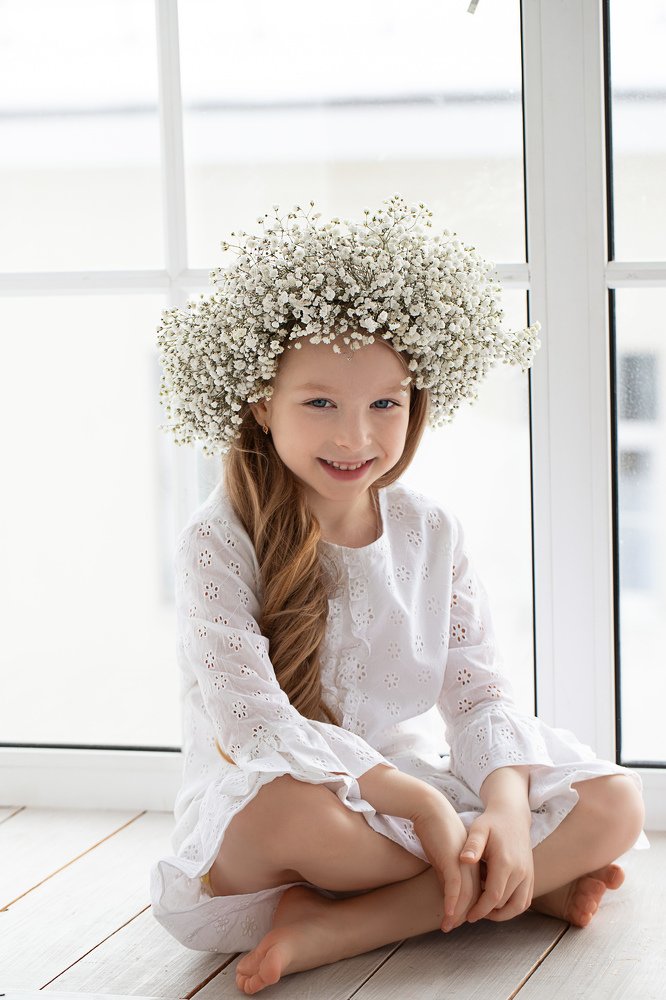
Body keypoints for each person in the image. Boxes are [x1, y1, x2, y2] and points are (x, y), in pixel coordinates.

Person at [150, 196, 648, 996]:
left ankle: (347, 924)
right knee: (290, 812)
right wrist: (419, 803)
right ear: (261, 402)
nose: (356, 437)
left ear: (418, 400)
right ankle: (518, 885)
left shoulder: (430, 529)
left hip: (401, 807)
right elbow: (255, 727)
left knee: (616, 801)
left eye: (385, 402)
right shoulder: (219, 538)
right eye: (320, 403)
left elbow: (479, 695)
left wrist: (505, 810)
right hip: (297, 815)